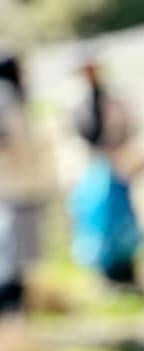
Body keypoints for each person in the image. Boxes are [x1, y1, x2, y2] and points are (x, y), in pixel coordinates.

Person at [71, 56, 143, 294]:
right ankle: (105, 275)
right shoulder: (76, 102)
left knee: (123, 224)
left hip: (118, 166)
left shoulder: (115, 98)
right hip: (93, 171)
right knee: (96, 225)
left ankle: (128, 273)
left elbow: (129, 127)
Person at [0, 54, 55, 322]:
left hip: (20, 186)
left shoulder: (13, 97)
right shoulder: (4, 95)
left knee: (20, 255)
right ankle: (10, 308)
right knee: (11, 253)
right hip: (10, 187)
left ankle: (16, 308)